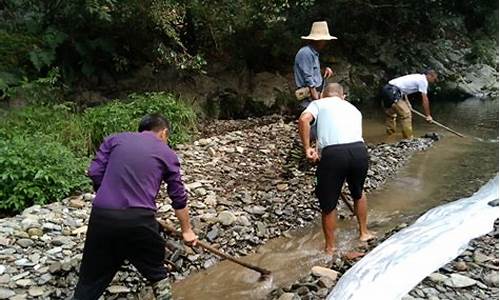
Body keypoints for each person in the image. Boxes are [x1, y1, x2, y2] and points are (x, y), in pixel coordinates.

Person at [73, 113, 197, 300]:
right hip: (139, 220)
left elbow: (95, 172)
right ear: (163, 133)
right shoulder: (167, 153)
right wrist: (187, 230)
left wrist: (110, 195)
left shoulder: (114, 140)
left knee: (90, 281)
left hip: (102, 217)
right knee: (156, 271)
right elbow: (178, 197)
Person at [298, 83, 374, 255]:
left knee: (329, 203)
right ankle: (364, 233)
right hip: (359, 151)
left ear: (324, 95)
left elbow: (304, 120)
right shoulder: (354, 109)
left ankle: (330, 248)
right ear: (343, 96)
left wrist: (307, 149)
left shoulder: (319, 103)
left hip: (334, 154)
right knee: (358, 192)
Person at [381, 70, 438, 138]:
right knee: (406, 115)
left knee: (391, 114)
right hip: (393, 92)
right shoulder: (423, 81)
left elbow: (404, 90)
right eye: (434, 79)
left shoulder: (417, 77)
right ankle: (408, 138)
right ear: (429, 75)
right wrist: (428, 115)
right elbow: (425, 99)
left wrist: (408, 104)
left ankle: (389, 135)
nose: (434, 81)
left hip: (386, 90)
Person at [294, 21, 336, 113]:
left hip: (313, 95)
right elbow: (307, 76)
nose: (325, 42)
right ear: (318, 40)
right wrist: (316, 97)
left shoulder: (313, 53)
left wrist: (324, 71)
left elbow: (311, 71)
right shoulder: (306, 53)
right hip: (308, 98)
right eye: (324, 40)